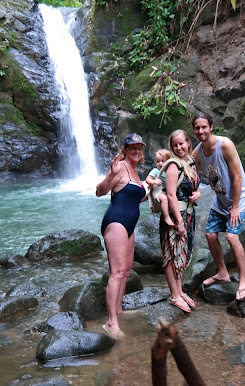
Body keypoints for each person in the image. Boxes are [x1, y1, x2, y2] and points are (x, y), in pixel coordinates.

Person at [191, 112, 245, 302]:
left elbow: (238, 177)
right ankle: (223, 273)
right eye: (197, 128)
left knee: (232, 237)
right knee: (210, 235)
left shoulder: (224, 145)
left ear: (211, 127)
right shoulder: (198, 152)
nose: (201, 131)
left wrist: (235, 207)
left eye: (204, 127)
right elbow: (190, 174)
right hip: (220, 199)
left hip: (238, 198)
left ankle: (244, 282)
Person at [96, 133, 148, 339]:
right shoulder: (119, 167)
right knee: (117, 272)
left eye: (139, 148)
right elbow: (100, 191)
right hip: (116, 222)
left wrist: (151, 191)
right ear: (124, 149)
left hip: (129, 225)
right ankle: (111, 323)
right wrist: (111, 175)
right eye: (132, 147)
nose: (137, 151)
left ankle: (118, 311)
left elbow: (134, 197)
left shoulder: (135, 170)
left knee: (126, 271)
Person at [160, 129, 201, 313]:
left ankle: (179, 291)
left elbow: (194, 187)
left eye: (181, 143)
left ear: (188, 143)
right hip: (176, 217)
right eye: (175, 145)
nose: (179, 147)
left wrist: (198, 194)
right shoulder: (173, 166)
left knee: (182, 254)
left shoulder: (190, 162)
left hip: (189, 214)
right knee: (171, 254)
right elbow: (170, 195)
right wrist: (179, 222)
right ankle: (174, 295)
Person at [145, 149, 174, 226]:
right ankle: (166, 217)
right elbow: (148, 179)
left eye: (163, 161)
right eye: (158, 161)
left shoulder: (170, 170)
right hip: (159, 190)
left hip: (167, 190)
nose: (160, 163)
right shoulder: (156, 170)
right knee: (164, 199)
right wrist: (154, 182)